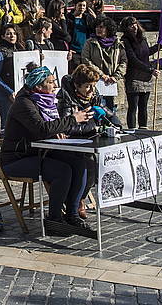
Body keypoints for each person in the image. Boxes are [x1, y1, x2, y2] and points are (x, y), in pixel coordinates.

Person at [1, 66, 94, 232]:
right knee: (62, 170)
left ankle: (72, 214)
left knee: (80, 163)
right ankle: (54, 218)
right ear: (38, 87)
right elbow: (41, 128)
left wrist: (56, 131)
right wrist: (73, 119)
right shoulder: (24, 103)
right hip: (17, 158)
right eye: (51, 82)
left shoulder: (46, 101)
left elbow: (48, 127)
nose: (55, 85)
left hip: (40, 151)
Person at [57, 63, 120, 218]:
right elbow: (66, 126)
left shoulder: (94, 95)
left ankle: (81, 197)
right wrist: (93, 127)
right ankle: (76, 201)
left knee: (101, 163)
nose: (91, 90)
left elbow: (108, 114)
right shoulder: (65, 97)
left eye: (93, 86)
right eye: (87, 87)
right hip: (70, 144)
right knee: (88, 164)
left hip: (90, 140)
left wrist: (116, 125)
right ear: (77, 85)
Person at [120, 16, 160, 129]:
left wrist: (160, 46)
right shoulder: (125, 40)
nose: (133, 27)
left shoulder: (143, 39)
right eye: (130, 25)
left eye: (134, 24)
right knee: (133, 107)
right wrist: (150, 70)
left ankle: (143, 128)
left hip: (146, 77)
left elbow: (147, 52)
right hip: (134, 77)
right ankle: (132, 130)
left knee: (143, 106)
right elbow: (132, 59)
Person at [82, 17, 127, 111]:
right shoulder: (90, 43)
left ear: (108, 29)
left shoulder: (118, 44)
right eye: (97, 27)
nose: (98, 29)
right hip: (96, 82)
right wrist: (102, 75)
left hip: (113, 83)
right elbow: (86, 60)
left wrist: (115, 76)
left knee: (111, 112)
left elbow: (124, 61)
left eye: (101, 27)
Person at [0, 23, 24, 129]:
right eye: (8, 34)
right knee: (7, 125)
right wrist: (9, 92)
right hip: (5, 95)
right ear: (2, 36)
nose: (12, 36)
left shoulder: (19, 50)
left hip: (18, 92)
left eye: (14, 33)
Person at [66, 0, 96, 69]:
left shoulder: (87, 18)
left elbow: (94, 31)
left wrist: (95, 18)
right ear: (75, 6)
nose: (82, 7)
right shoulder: (68, 18)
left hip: (86, 52)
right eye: (80, 5)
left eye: (84, 5)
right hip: (74, 52)